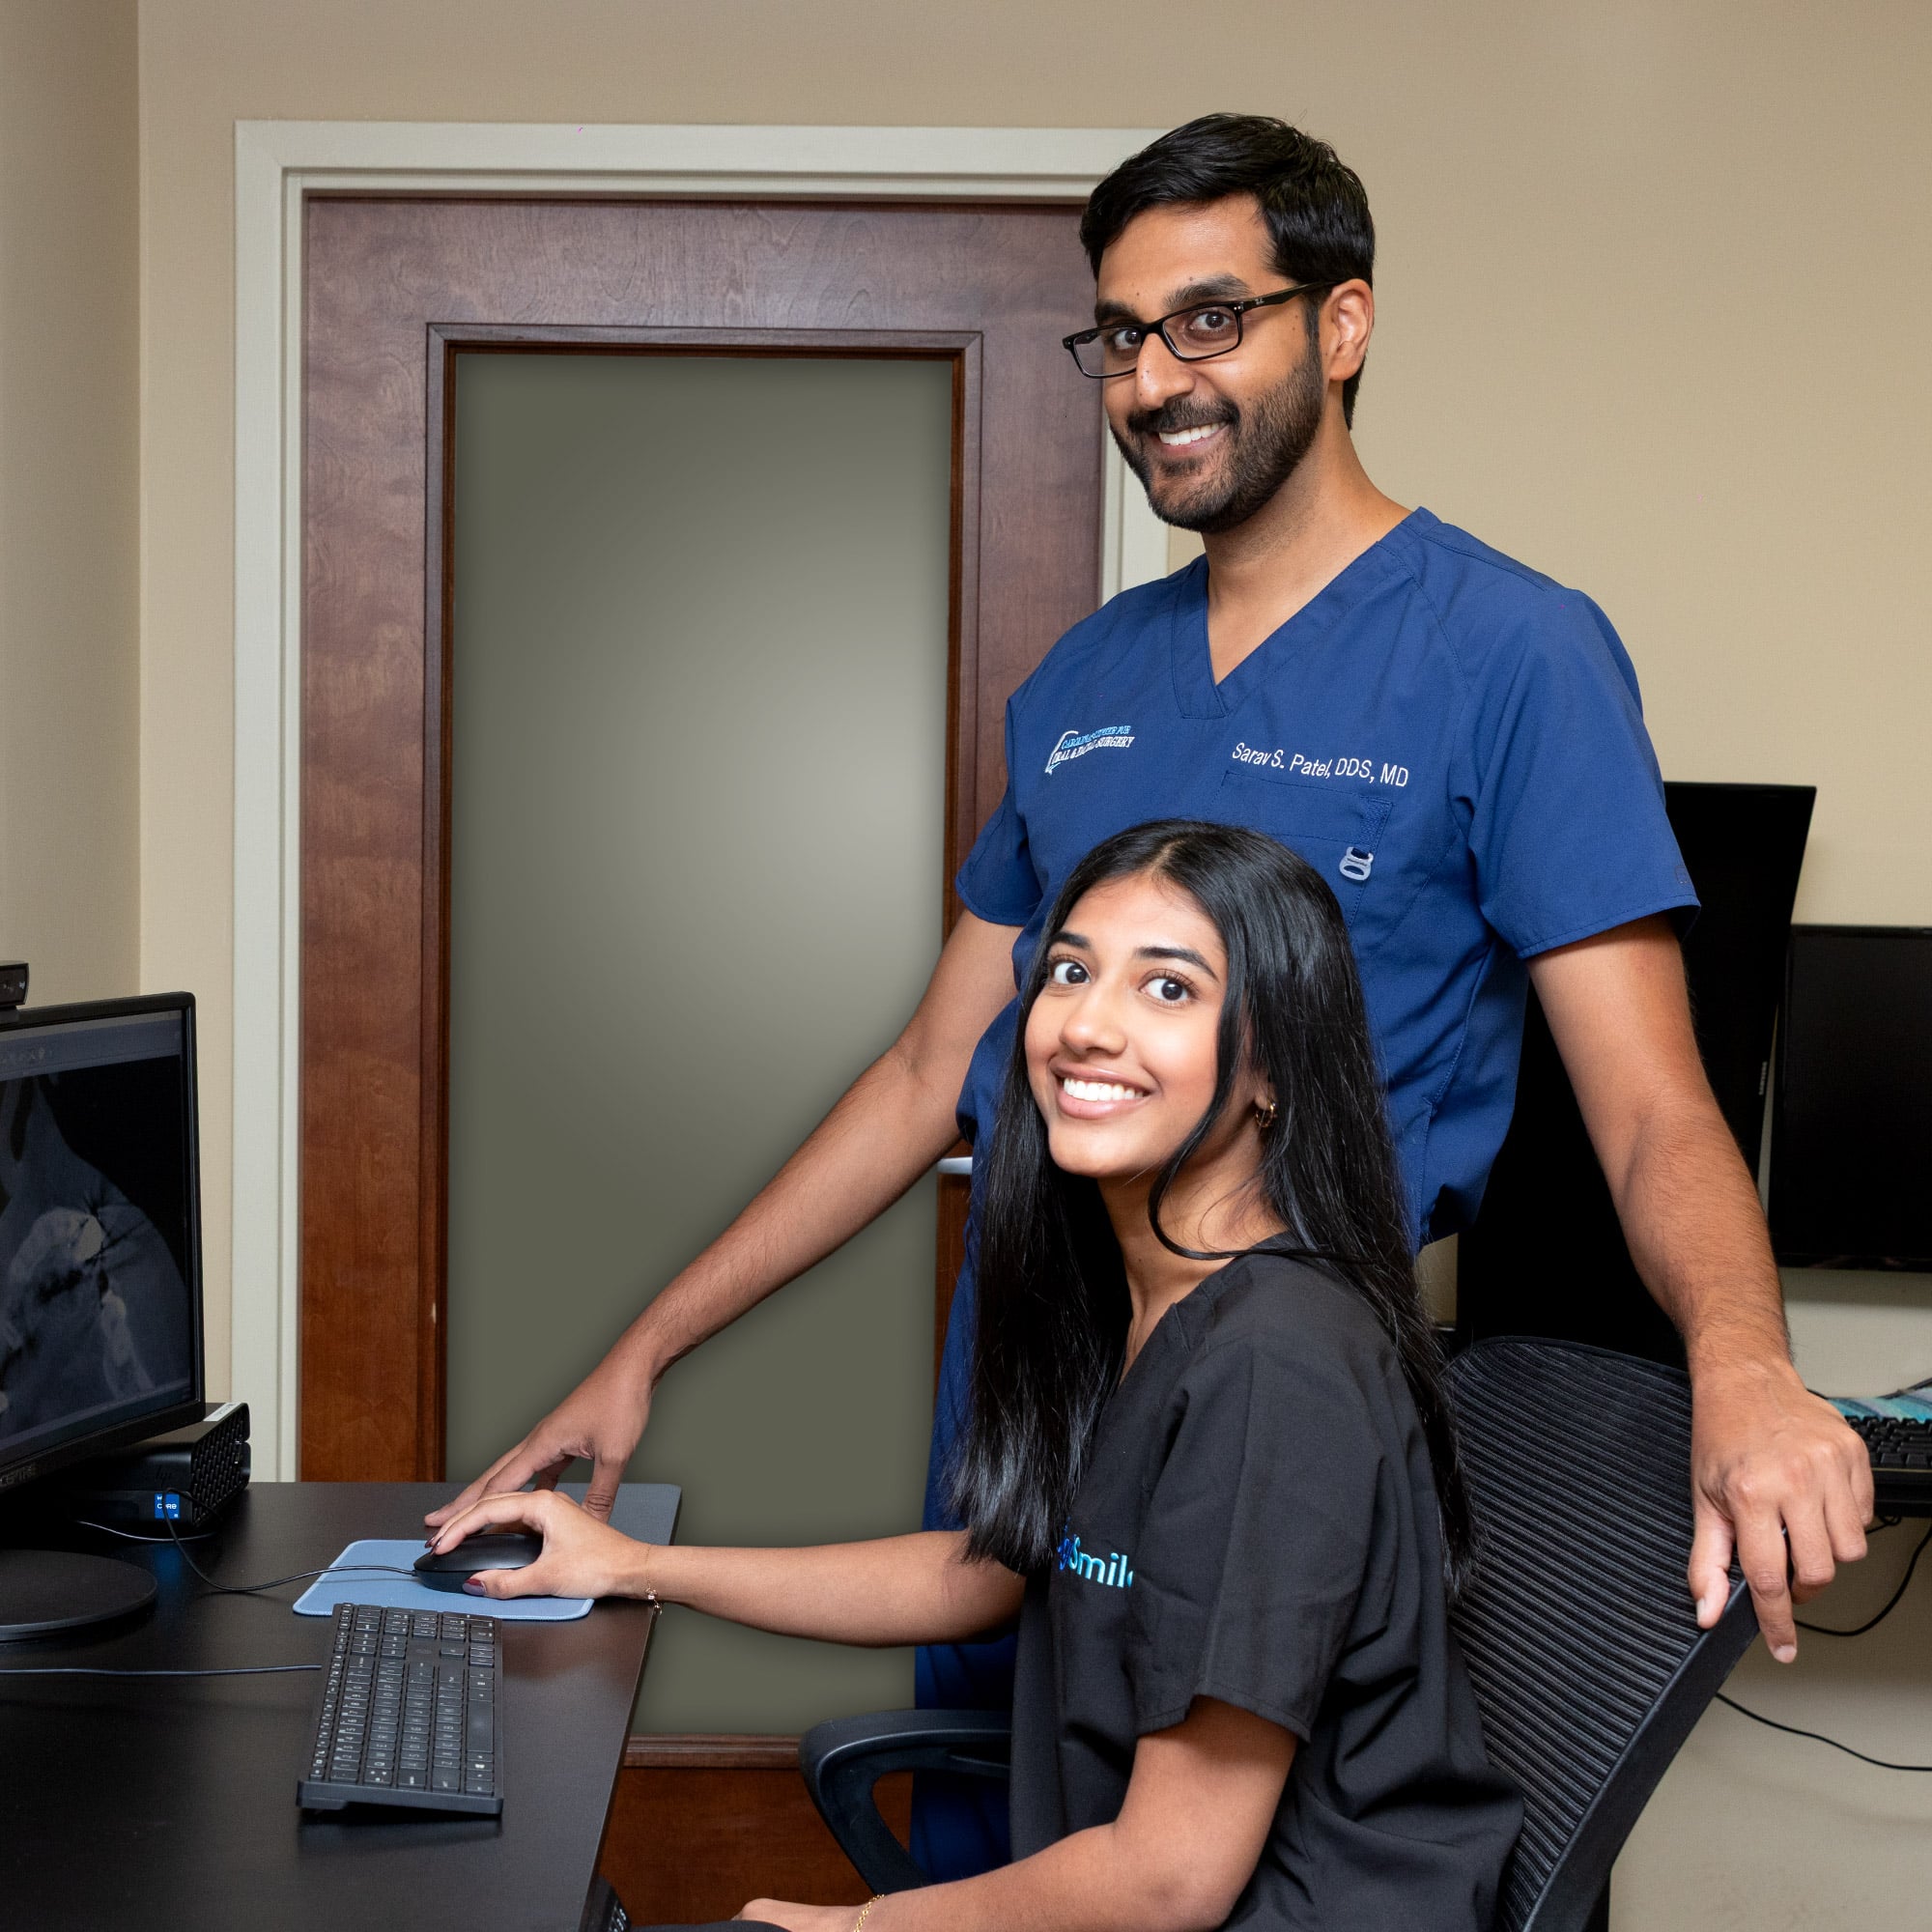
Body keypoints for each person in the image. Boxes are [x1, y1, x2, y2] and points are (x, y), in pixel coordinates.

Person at [431, 112, 1869, 1872]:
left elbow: (1652, 1106)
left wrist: (1746, 1367)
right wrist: (639, 1353)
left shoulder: (1512, 653)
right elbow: (922, 1076)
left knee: (1189, 1872)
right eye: (1120, 334)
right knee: (987, 1844)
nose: (1154, 379)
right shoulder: (1086, 681)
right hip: (1027, 1397)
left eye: (1212, 321)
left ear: (1340, 327)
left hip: (1263, 1423)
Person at [431, 823, 1524, 1932]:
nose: (1087, 1024)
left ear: (1271, 1072)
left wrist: (855, 1928)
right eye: (1070, 969)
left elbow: (1168, 1878)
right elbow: (985, 1575)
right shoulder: (1138, 1300)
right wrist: (634, 1562)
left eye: (1167, 988)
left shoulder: (1273, 1363)